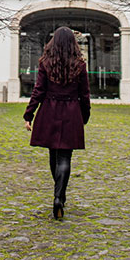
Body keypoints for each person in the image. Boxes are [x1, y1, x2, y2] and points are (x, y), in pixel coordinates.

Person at [23, 26, 91, 219]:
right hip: (71, 111)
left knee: (54, 155)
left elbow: (38, 90)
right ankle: (59, 196)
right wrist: (84, 115)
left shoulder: (46, 63)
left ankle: (58, 195)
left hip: (49, 111)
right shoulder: (80, 64)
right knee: (65, 158)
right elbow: (84, 94)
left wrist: (29, 114)